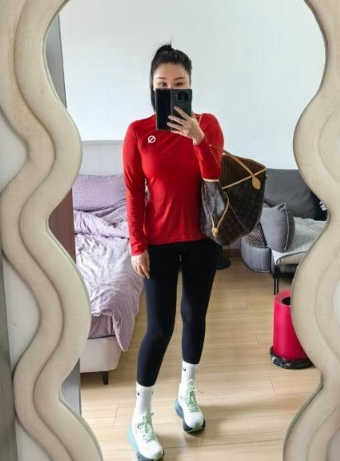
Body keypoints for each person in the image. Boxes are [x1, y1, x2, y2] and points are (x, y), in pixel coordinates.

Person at [123, 44, 224, 461]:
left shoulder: (208, 124)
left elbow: (214, 177)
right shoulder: (137, 132)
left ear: (190, 86)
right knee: (159, 329)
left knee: (195, 317)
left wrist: (198, 138)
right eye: (162, 85)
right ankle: (140, 417)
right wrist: (137, 245)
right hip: (159, 244)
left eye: (178, 84)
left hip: (202, 239)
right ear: (152, 88)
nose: (169, 90)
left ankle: (187, 392)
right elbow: (133, 193)